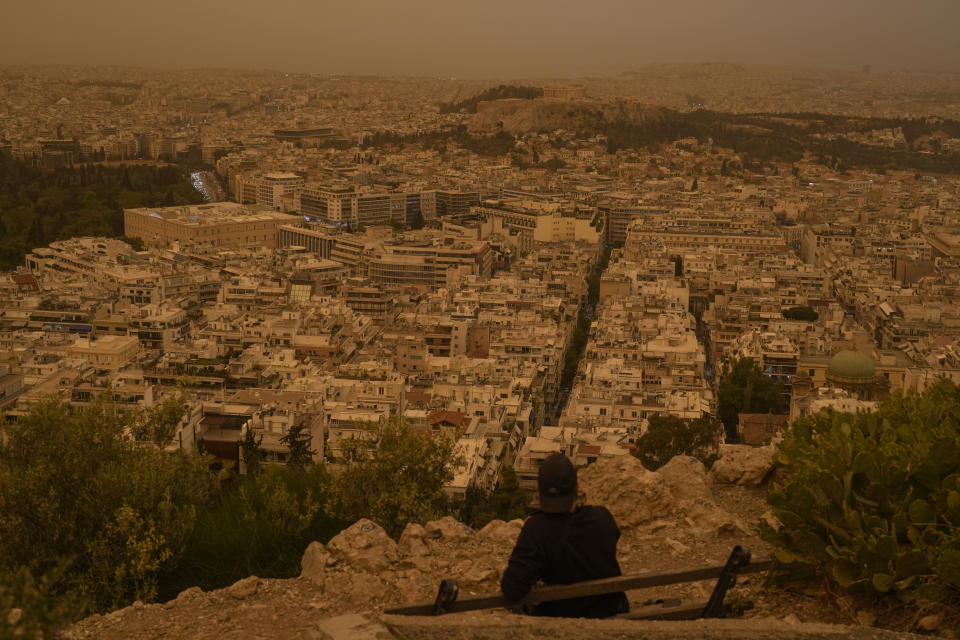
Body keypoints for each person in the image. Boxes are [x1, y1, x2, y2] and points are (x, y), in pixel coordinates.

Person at [500, 453, 629, 618]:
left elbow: (512, 589)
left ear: (538, 489)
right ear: (576, 487)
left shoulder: (537, 529)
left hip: (561, 620)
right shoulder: (602, 517)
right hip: (609, 613)